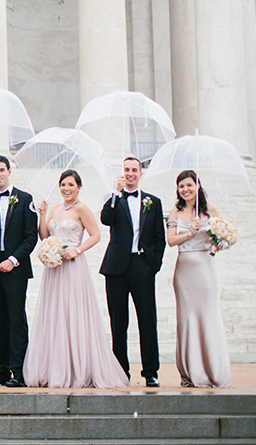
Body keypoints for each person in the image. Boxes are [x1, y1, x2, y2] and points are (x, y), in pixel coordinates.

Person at [24, 170, 129, 388]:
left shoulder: (81, 208)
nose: (66, 189)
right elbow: (45, 236)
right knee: (55, 314)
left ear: (78, 187)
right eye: (63, 184)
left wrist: (77, 250)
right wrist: (42, 216)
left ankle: (79, 368)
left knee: (73, 312)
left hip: (72, 265)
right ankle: (55, 368)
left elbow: (96, 235)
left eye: (71, 184)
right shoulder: (54, 208)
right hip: (54, 268)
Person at [99, 156, 166, 387]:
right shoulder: (114, 198)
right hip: (116, 267)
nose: (130, 173)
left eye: (134, 170)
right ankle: (120, 371)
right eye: (126, 169)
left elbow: (160, 237)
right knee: (118, 321)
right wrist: (115, 194)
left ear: (140, 173)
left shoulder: (153, 202)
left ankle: (151, 372)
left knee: (147, 320)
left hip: (142, 266)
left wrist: (153, 265)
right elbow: (105, 220)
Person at [166, 170, 233, 388]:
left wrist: (220, 243)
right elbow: (171, 241)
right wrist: (190, 232)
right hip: (184, 269)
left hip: (206, 269)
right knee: (187, 320)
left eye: (189, 185)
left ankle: (214, 370)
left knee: (208, 317)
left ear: (197, 186)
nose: (185, 189)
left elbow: (220, 240)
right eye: (181, 186)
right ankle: (190, 372)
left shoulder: (210, 210)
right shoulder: (174, 212)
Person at [0, 155, 38, 388]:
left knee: (16, 319)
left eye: (1, 170)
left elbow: (31, 237)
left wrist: (13, 260)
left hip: (16, 269)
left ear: (9, 171)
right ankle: (1, 370)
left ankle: (18, 372)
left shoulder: (25, 199)